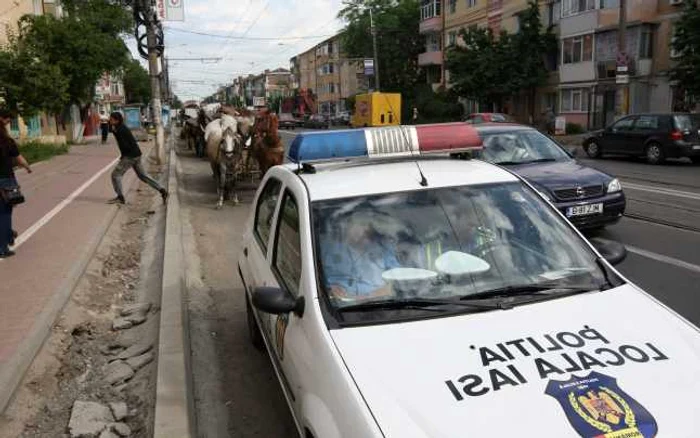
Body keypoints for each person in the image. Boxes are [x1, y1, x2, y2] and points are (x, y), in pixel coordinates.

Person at [321, 216, 400, 299]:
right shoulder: (328, 248)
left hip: (378, 302)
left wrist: (382, 291)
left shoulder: (384, 248)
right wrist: (329, 289)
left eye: (368, 225)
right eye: (359, 224)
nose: (365, 230)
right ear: (346, 226)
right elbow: (313, 278)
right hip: (335, 304)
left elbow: (396, 279)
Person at [108, 111, 168, 205]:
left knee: (116, 175)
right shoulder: (120, 128)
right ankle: (162, 190)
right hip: (137, 154)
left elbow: (124, 145)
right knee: (143, 176)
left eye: (111, 119)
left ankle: (120, 197)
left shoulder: (120, 130)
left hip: (130, 156)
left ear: (116, 120)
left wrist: (124, 156)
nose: (109, 120)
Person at [0, 109, 32, 258]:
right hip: (5, 181)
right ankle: (3, 247)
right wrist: (27, 167)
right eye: (6, 120)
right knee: (5, 213)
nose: (8, 122)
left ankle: (8, 234)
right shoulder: (7, 141)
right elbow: (19, 158)